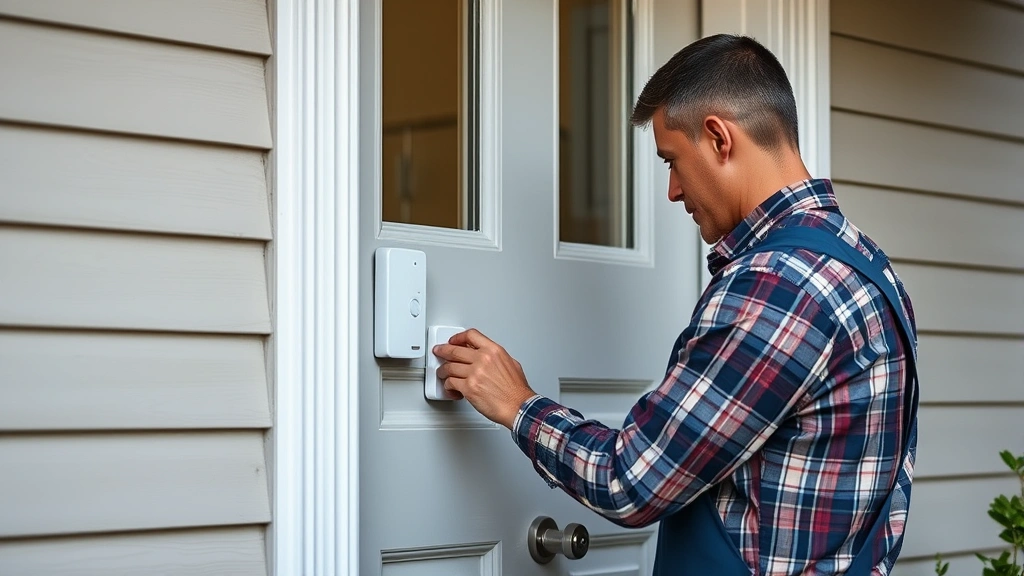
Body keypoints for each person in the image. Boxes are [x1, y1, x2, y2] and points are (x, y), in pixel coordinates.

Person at [432, 34, 918, 576]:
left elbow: (630, 481)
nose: (672, 190)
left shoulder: (780, 286)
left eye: (672, 161)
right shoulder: (865, 262)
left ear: (718, 138)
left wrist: (518, 404)